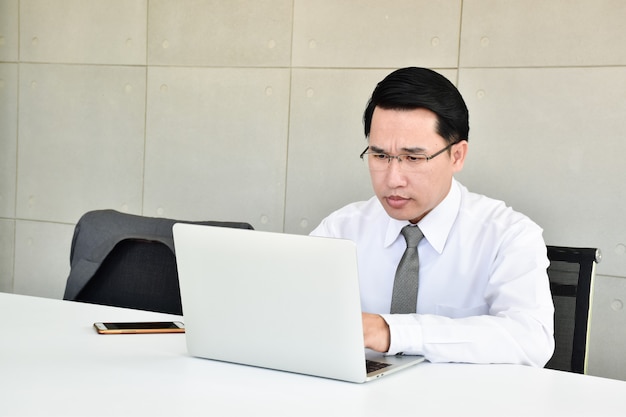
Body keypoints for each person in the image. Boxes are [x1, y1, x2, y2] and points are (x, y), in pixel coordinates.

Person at [310, 67, 555, 367]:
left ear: (457, 156)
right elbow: (292, 312)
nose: (393, 178)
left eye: (413, 158)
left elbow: (531, 339)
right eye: (380, 156)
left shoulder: (508, 236)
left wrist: (394, 332)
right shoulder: (340, 229)